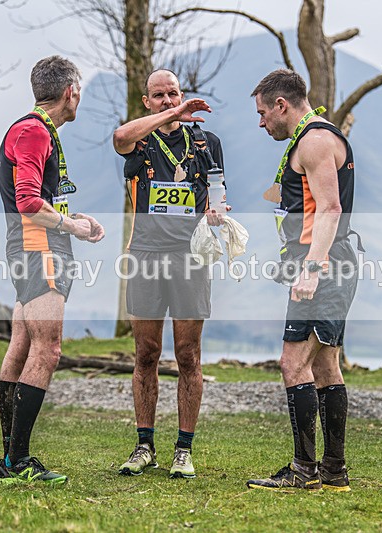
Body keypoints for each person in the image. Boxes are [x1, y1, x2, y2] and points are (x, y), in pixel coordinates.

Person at [0, 55, 105, 486]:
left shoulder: (35, 131)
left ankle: (10, 460)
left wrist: (74, 219)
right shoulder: (34, 131)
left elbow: (38, 199)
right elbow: (26, 202)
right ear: (70, 92)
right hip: (38, 250)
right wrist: (71, 227)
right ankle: (18, 460)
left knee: (22, 345)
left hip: (31, 246)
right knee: (48, 349)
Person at [245, 69, 359, 492]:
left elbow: (330, 208)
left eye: (262, 113)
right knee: (325, 365)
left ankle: (304, 470)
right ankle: (333, 470)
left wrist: (311, 267)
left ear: (281, 105)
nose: (261, 123)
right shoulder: (316, 136)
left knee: (293, 363)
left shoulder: (313, 141)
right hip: (330, 262)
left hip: (324, 267)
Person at [112, 69, 227, 479]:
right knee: (145, 352)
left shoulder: (206, 142)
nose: (167, 100)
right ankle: (144, 445)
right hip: (145, 254)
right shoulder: (141, 139)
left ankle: (184, 449)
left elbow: (218, 189)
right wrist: (172, 115)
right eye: (158, 95)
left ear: (182, 93)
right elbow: (119, 138)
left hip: (190, 256)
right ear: (147, 101)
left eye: (173, 94)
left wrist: (217, 210)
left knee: (187, 354)